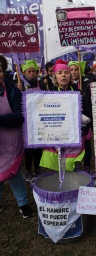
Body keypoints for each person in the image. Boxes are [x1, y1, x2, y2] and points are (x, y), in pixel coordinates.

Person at [39, 63, 92, 171]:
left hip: (76, 136)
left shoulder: (78, 93)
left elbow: (87, 113)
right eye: (60, 73)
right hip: (57, 136)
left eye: (66, 73)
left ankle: (73, 184)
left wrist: (88, 128)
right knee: (57, 165)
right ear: (55, 77)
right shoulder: (50, 94)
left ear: (70, 76)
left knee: (73, 165)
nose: (63, 75)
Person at [0, 55, 33, 218]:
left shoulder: (12, 90)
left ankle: (23, 203)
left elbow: (20, 116)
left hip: (11, 139)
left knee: (14, 172)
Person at [17, 60, 43, 181]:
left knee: (39, 146)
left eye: (34, 71)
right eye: (29, 71)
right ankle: (27, 169)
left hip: (39, 120)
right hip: (27, 121)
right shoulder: (20, 84)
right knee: (29, 148)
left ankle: (37, 168)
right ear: (24, 73)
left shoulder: (40, 83)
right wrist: (19, 91)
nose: (32, 73)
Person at [68, 61, 93, 170]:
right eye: (71, 70)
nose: (73, 72)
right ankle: (75, 166)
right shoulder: (69, 85)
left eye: (76, 69)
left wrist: (84, 94)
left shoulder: (87, 82)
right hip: (73, 121)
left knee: (87, 144)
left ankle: (87, 165)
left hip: (85, 118)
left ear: (80, 70)